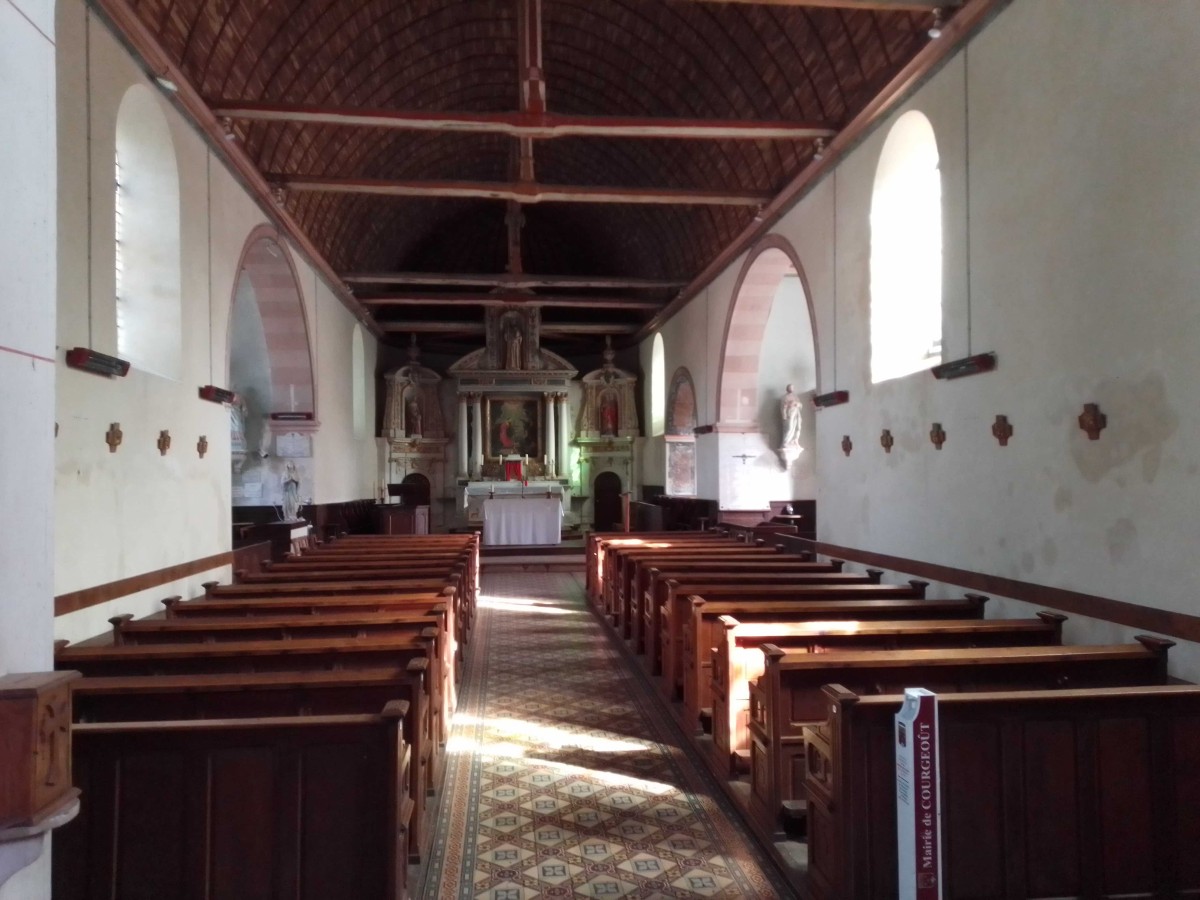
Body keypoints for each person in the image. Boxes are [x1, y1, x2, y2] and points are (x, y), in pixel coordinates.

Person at [780, 383, 802, 450]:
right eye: (790, 387)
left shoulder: (796, 397)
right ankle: (785, 442)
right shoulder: (785, 397)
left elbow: (800, 405)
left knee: (798, 427)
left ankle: (795, 440)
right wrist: (784, 416)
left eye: (792, 387)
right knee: (789, 428)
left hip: (796, 413)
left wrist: (797, 404)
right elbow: (783, 407)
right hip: (790, 414)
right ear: (787, 389)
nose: (791, 389)